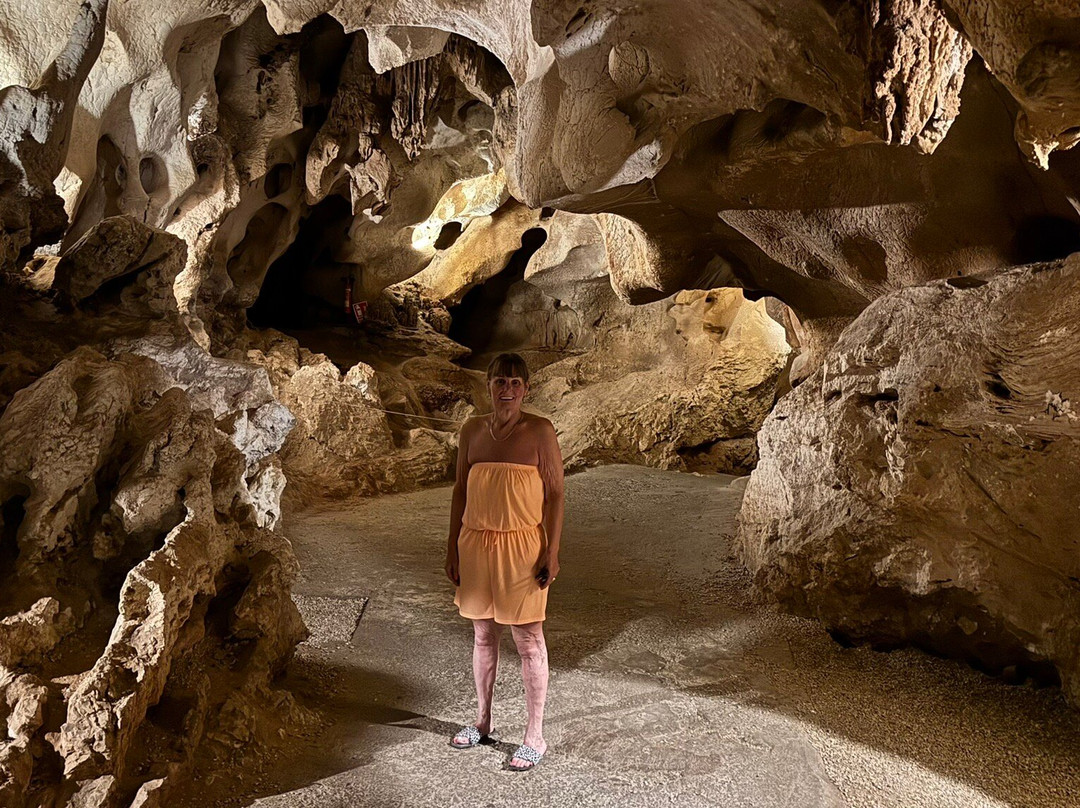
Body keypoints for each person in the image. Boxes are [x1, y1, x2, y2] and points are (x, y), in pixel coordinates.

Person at [444, 352, 564, 771]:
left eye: (515, 382)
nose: (507, 390)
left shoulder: (540, 431)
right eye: (500, 382)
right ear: (489, 386)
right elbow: (461, 490)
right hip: (476, 543)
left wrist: (551, 551)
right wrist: (452, 546)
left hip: (522, 547)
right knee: (482, 635)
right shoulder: (472, 431)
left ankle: (535, 736)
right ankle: (483, 720)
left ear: (526, 389)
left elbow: (555, 494)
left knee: (528, 639)